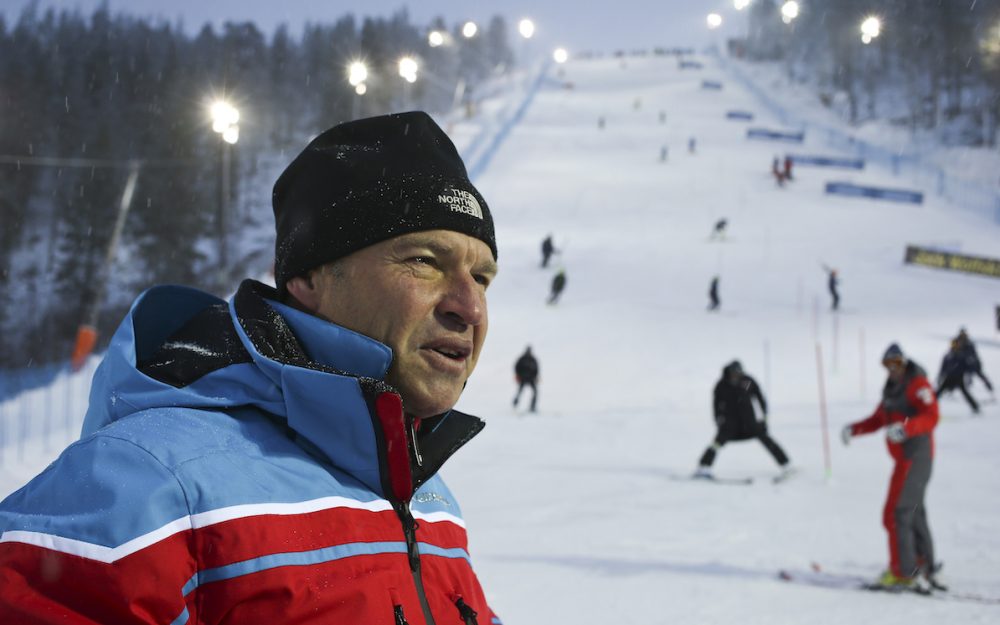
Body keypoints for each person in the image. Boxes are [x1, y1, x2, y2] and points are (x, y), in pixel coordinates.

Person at [0, 112, 502, 624]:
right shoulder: (153, 483)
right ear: (310, 278)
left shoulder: (430, 501)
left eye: (482, 277)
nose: (470, 306)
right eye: (423, 261)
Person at [841, 343, 941, 592]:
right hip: (904, 460)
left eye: (896, 363)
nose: (892, 369)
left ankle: (904, 572)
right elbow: (878, 419)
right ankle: (922, 564)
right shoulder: (892, 389)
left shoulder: (917, 384)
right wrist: (855, 429)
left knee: (897, 513)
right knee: (913, 511)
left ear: (904, 362)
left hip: (916, 456)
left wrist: (907, 427)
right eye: (887, 365)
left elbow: (932, 415)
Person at [695, 360, 792, 478]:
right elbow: (716, 404)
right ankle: (703, 467)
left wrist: (764, 415)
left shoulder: (746, 382)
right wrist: (717, 419)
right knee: (717, 443)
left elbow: (758, 396)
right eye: (734, 373)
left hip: (749, 422)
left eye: (738, 373)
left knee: (765, 438)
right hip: (729, 424)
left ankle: (786, 465)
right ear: (729, 372)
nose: (736, 375)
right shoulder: (722, 385)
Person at [936, 339, 979, 414]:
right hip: (949, 377)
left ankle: (975, 407)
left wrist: (969, 373)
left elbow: (968, 366)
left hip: (958, 377)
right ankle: (927, 407)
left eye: (956, 345)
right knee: (939, 392)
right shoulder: (948, 355)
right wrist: (940, 376)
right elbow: (943, 367)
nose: (954, 346)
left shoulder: (961, 355)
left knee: (965, 392)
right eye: (953, 344)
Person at [955, 328, 994, 396]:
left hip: (974, 363)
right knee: (962, 376)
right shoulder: (958, 341)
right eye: (962, 333)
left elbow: (973, 354)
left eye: (964, 333)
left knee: (980, 375)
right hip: (965, 364)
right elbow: (955, 351)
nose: (963, 335)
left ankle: (989, 386)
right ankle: (966, 389)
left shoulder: (969, 343)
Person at [513, 346, 539, 413]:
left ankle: (532, 406)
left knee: (535, 392)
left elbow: (536, 369)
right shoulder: (522, 359)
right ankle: (515, 403)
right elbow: (517, 367)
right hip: (523, 378)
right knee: (520, 391)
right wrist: (517, 375)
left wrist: (536, 377)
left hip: (531, 379)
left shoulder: (533, 359)